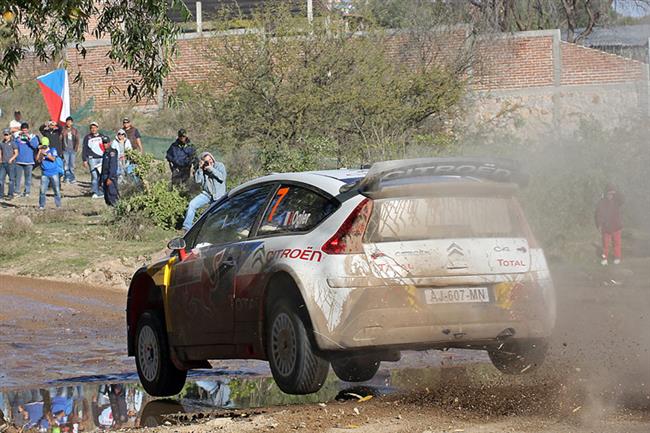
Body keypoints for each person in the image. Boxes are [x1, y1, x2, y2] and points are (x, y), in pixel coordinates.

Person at [182, 151, 226, 232]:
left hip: (218, 195)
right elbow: (198, 181)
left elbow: (222, 178)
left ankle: (220, 231)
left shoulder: (219, 166)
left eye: (210, 159)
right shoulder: (202, 169)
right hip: (206, 194)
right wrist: (200, 169)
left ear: (212, 158)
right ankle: (187, 228)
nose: (209, 162)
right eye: (206, 161)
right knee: (192, 204)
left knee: (215, 214)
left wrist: (211, 169)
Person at [595, 184, 624, 266]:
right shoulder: (601, 202)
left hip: (616, 226)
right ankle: (604, 259)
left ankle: (617, 258)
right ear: (606, 193)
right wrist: (599, 225)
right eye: (609, 193)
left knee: (617, 244)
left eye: (612, 194)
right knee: (605, 246)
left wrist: (616, 192)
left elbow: (623, 199)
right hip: (606, 228)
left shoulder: (617, 200)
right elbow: (598, 214)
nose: (610, 195)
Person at [14, 122, 39, 197]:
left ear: (28, 130)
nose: (24, 132)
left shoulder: (32, 136)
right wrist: (17, 137)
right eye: (23, 130)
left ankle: (27, 191)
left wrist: (29, 138)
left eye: (26, 130)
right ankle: (17, 191)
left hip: (29, 161)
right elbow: (14, 146)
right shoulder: (18, 138)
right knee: (17, 177)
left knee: (28, 178)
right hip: (19, 160)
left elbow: (35, 146)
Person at [36, 137, 62, 210]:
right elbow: (37, 160)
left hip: (54, 172)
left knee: (56, 190)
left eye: (45, 145)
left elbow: (53, 159)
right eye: (43, 145)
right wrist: (39, 151)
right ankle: (41, 205)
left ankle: (58, 205)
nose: (44, 146)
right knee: (42, 190)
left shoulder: (52, 150)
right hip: (44, 173)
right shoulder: (41, 151)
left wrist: (46, 154)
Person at [82, 122, 104, 199]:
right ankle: (95, 192)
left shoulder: (102, 136)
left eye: (95, 127)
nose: (93, 129)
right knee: (94, 176)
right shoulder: (87, 137)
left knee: (102, 176)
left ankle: (101, 191)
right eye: (92, 128)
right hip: (92, 159)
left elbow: (106, 146)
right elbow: (84, 149)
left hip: (101, 158)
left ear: (97, 128)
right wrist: (84, 160)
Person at [101, 135, 119, 206]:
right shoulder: (105, 153)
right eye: (104, 143)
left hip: (110, 177)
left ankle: (117, 211)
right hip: (104, 176)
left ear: (110, 143)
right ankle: (110, 212)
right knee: (106, 196)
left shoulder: (112, 152)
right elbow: (103, 167)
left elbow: (113, 166)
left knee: (112, 195)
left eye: (106, 143)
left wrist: (110, 178)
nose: (105, 144)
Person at [60, 116, 80, 183]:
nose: (69, 123)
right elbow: (60, 139)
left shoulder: (75, 130)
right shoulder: (63, 130)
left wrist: (76, 149)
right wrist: (61, 149)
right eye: (67, 121)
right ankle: (66, 178)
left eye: (70, 122)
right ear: (66, 122)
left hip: (72, 150)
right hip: (65, 149)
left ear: (72, 123)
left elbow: (77, 140)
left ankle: (72, 178)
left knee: (72, 165)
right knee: (66, 164)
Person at [0, 128, 18, 200]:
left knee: (11, 180)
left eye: (7, 134)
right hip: (3, 164)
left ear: (10, 135)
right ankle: (1, 195)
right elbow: (0, 151)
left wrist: (11, 159)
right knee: (1, 180)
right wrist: (0, 159)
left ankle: (10, 194)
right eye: (4, 134)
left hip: (11, 164)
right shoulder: (1, 143)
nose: (6, 136)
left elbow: (16, 153)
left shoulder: (13, 143)